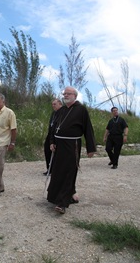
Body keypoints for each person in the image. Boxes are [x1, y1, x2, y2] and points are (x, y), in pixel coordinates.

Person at [47, 86, 96, 214]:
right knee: (57, 171)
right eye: (64, 94)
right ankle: (54, 197)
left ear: (75, 95)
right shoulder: (61, 110)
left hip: (72, 144)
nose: (65, 96)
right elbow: (54, 127)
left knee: (69, 172)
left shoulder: (81, 110)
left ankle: (62, 203)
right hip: (58, 145)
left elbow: (88, 129)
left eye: (68, 94)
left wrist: (91, 148)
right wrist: (52, 141)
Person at [43, 99, 62, 176]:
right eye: (52, 104)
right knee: (47, 150)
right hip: (50, 134)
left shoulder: (62, 113)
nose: (53, 106)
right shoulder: (53, 113)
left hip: (57, 136)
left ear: (60, 104)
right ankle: (49, 169)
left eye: (55, 104)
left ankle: (56, 170)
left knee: (56, 153)